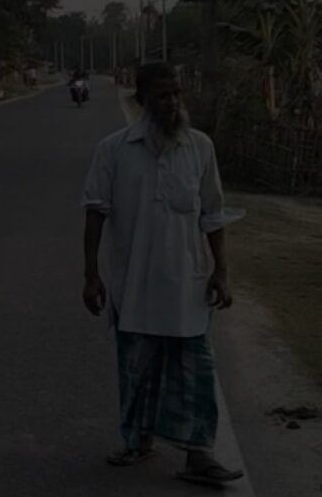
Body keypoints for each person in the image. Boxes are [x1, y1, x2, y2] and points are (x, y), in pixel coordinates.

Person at [82, 62, 244, 485]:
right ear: (142, 100)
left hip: (188, 283)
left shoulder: (200, 147)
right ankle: (137, 441)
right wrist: (91, 276)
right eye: (162, 96)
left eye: (176, 94)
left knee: (197, 372)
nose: (171, 103)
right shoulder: (114, 150)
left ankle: (199, 455)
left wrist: (222, 272)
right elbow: (95, 214)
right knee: (137, 370)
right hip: (134, 283)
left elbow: (213, 215)